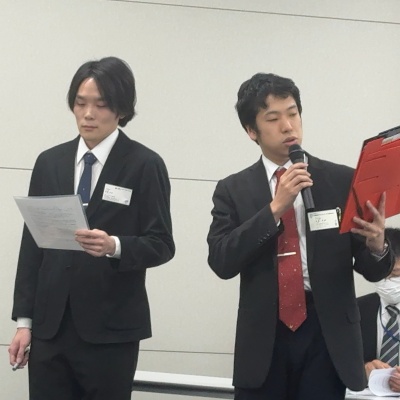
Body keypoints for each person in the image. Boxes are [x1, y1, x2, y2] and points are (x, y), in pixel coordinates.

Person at [207, 72, 394, 400]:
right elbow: (222, 260)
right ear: (251, 131)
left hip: (327, 334)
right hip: (266, 336)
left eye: (293, 114)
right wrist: (274, 209)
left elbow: (373, 269)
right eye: (273, 118)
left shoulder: (340, 180)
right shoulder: (233, 189)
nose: (288, 126)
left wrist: (377, 245)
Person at [8, 56, 175, 400]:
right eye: (80, 103)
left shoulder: (144, 164)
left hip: (110, 330)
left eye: (100, 105)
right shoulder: (49, 162)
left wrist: (114, 246)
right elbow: (32, 247)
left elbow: (161, 243)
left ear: (121, 109)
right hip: (51, 328)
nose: (88, 114)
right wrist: (24, 323)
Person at [358, 227, 400, 392]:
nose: (388, 280)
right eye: (382, 274)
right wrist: (364, 370)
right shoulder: (357, 311)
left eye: (395, 274)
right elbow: (335, 362)